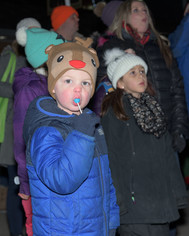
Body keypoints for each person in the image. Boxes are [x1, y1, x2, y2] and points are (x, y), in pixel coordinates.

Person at [22, 37, 120, 235]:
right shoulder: (46, 130)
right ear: (53, 88)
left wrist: (111, 221)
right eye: (68, 81)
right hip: (63, 229)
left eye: (85, 82)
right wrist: (81, 136)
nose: (78, 88)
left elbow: (105, 178)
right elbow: (62, 180)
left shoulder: (91, 123)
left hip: (95, 227)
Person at [100, 48, 188, 236]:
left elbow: (167, 156)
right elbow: (111, 157)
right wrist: (119, 199)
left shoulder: (154, 110)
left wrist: (178, 193)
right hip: (134, 205)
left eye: (142, 71)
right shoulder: (115, 112)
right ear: (120, 82)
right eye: (133, 72)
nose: (141, 75)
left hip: (159, 202)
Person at [94, 0, 189, 154]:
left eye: (145, 9)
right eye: (136, 10)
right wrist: (118, 62)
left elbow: (177, 91)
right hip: (133, 138)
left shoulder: (160, 47)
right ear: (123, 16)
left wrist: (179, 130)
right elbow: (100, 85)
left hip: (167, 135)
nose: (143, 12)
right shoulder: (112, 47)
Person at [13, 27, 65, 236]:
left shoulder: (61, 85)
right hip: (36, 179)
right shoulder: (30, 91)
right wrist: (25, 182)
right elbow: (21, 139)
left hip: (58, 174)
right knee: (39, 228)